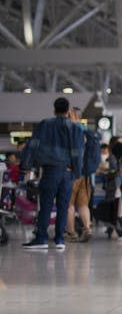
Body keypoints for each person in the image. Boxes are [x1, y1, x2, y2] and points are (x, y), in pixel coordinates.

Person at [20, 97, 83, 250]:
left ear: (54, 110)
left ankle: (41, 238)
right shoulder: (75, 128)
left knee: (46, 205)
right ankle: (59, 240)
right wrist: (77, 171)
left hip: (50, 170)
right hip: (68, 172)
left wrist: (26, 165)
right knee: (63, 206)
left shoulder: (45, 124)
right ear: (68, 111)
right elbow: (78, 152)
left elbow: (33, 145)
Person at [65, 107, 94, 243]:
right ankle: (87, 228)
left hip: (72, 172)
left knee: (69, 204)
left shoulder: (70, 129)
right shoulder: (85, 130)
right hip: (86, 174)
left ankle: (71, 232)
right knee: (83, 204)